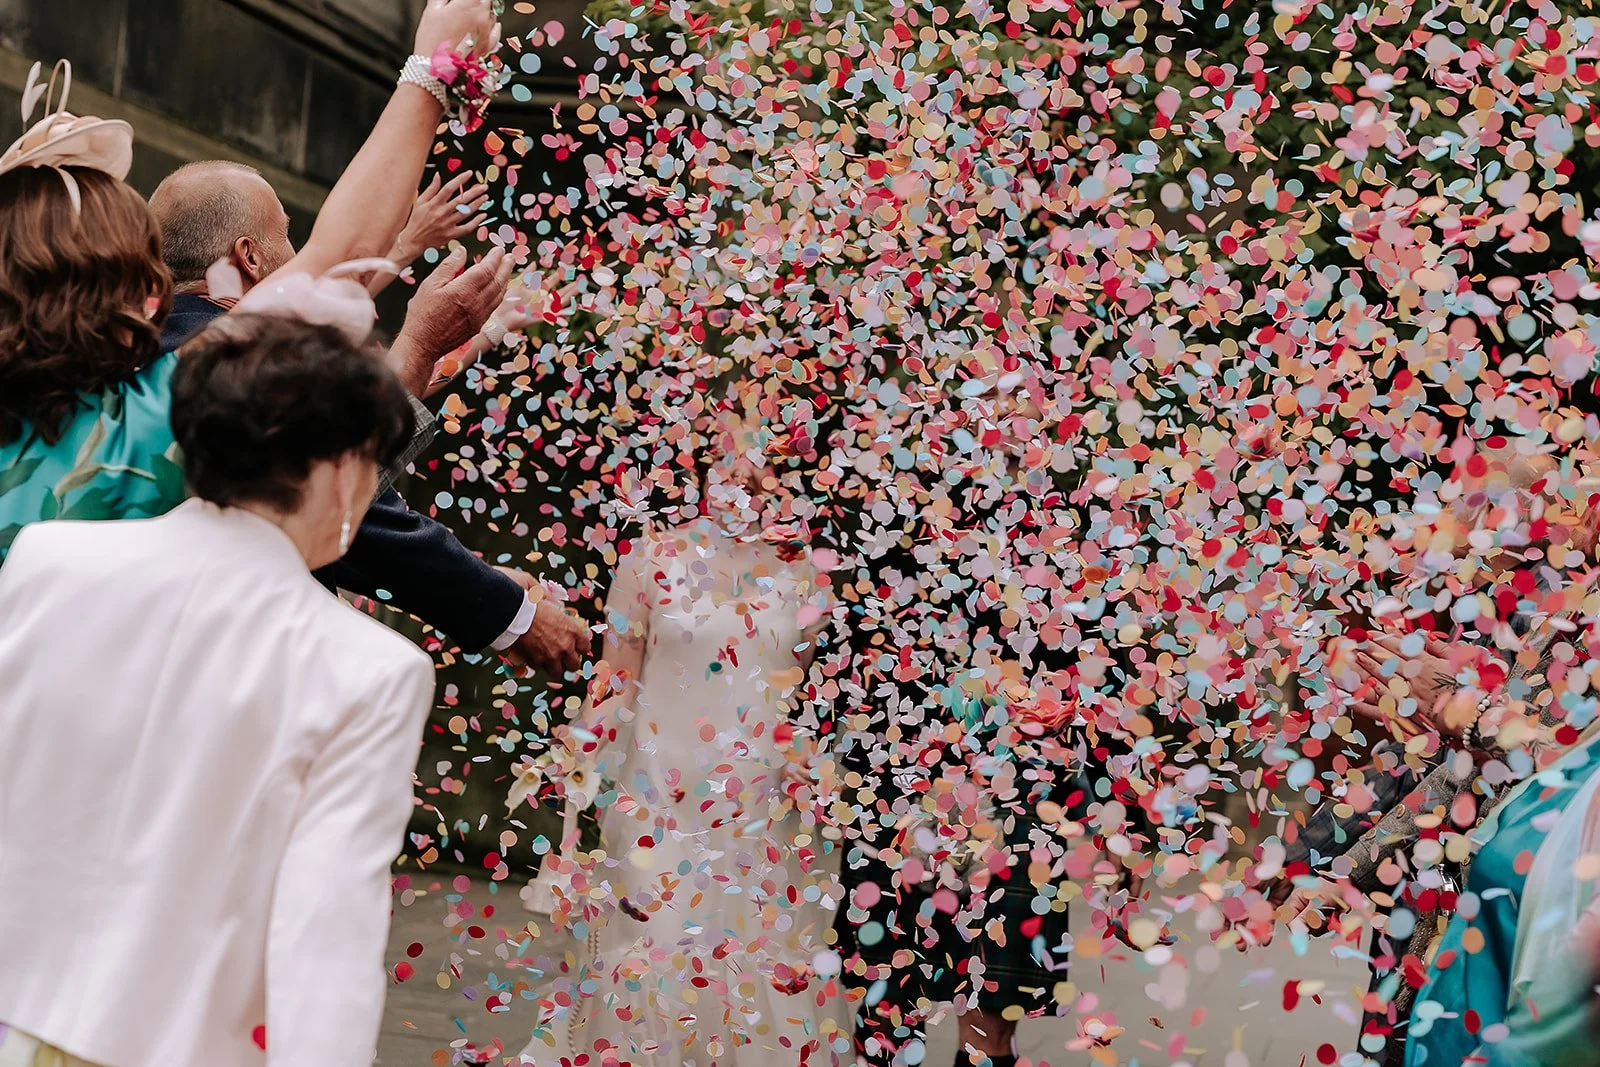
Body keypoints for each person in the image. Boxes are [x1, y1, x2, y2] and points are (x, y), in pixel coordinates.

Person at [0, 313, 434, 1067]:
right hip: (166, 1041)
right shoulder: (369, 670)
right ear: (341, 469)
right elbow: (325, 925)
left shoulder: (49, 559)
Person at [146, 158, 586, 666]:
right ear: (250, 257)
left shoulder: (154, 351)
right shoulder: (230, 373)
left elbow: (334, 531)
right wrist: (511, 616)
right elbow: (327, 499)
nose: (296, 253)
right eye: (288, 235)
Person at [518, 421, 846, 1067]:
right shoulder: (651, 559)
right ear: (703, 465)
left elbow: (790, 692)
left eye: (764, 461)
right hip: (659, 798)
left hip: (755, 802)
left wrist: (806, 762)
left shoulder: (807, 577)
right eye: (731, 456)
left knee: (756, 972)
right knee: (653, 957)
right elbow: (617, 678)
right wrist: (578, 748)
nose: (746, 474)